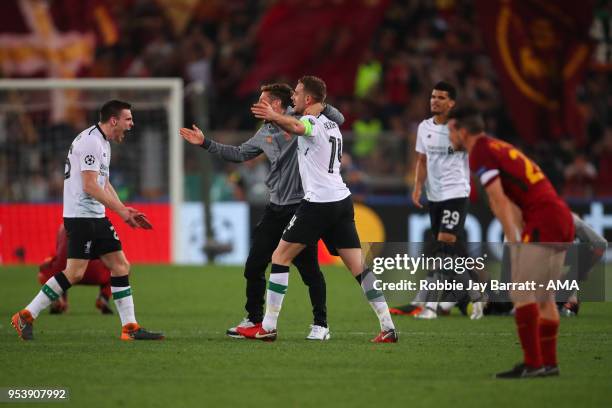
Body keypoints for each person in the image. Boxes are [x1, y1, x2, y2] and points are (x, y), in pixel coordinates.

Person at [181, 83, 345, 341]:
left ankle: (320, 324)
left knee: (309, 270)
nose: (256, 104)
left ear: (277, 105)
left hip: (302, 208)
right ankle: (255, 320)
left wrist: (319, 106)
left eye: (262, 100)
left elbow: (338, 118)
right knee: (254, 265)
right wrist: (205, 143)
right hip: (275, 208)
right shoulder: (265, 132)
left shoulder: (301, 120)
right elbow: (238, 153)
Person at [241, 75, 398, 343]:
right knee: (359, 268)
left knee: (279, 258)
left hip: (318, 204)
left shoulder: (311, 122)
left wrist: (274, 116)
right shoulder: (332, 124)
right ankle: (388, 325)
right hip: (342, 201)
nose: (293, 97)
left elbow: (299, 127)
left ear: (309, 99)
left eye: (298, 93)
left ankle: (268, 326)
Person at [11, 100, 163, 341]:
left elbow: (104, 183)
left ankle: (130, 328)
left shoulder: (102, 141)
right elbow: (90, 186)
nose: (131, 124)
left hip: (95, 216)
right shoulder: (91, 142)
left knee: (120, 266)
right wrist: (122, 213)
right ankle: (25, 316)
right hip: (82, 217)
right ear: (114, 120)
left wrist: (124, 209)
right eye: (128, 119)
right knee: (74, 273)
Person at [448, 106, 575, 378]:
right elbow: (512, 200)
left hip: (544, 218)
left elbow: (498, 200)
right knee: (543, 296)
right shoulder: (496, 146)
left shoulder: (480, 150)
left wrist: (514, 242)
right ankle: (548, 364)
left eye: (450, 130)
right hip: (558, 216)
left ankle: (532, 363)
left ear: (462, 130)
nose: (449, 136)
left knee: (520, 290)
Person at [394, 82, 484, 320]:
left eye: (441, 97)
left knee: (443, 245)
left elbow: (477, 152)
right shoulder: (424, 128)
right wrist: (417, 187)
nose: (435, 100)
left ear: (451, 103)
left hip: (456, 194)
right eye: (433, 96)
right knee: (445, 252)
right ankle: (474, 294)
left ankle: (432, 307)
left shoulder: (460, 129)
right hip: (434, 197)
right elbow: (422, 160)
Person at [39, 224, 113, 314]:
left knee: (44, 272)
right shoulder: (98, 223)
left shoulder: (63, 226)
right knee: (121, 269)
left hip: (67, 273)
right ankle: (104, 297)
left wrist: (47, 263)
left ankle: (58, 297)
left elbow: (59, 254)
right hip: (94, 274)